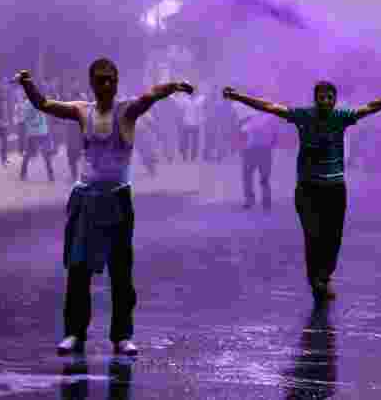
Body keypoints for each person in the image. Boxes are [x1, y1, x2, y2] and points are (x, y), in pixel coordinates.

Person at [15, 60, 194, 356]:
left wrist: (173, 86)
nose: (106, 85)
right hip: (86, 197)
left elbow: (150, 95)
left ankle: (122, 335)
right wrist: (26, 83)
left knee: (121, 270)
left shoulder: (127, 111)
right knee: (78, 269)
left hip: (117, 199)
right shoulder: (81, 110)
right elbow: (44, 103)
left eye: (110, 80)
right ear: (92, 83)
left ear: (117, 81)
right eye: (100, 80)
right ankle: (74, 332)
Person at [223, 81, 381, 302]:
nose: (325, 101)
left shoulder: (341, 117)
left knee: (333, 237)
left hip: (334, 188)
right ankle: (317, 279)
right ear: (315, 99)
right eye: (322, 97)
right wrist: (239, 97)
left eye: (329, 97)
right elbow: (269, 106)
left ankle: (324, 277)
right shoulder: (303, 115)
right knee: (312, 235)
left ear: (334, 100)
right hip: (307, 188)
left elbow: (370, 107)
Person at [237, 111, 281, 210]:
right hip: (265, 150)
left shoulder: (249, 117)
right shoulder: (271, 119)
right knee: (264, 178)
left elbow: (242, 132)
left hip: (251, 151)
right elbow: (275, 136)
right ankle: (266, 200)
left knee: (247, 176)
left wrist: (242, 149)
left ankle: (249, 200)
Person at [20, 100, 55, 182]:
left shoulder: (26, 104)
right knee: (46, 155)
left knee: (28, 154)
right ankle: (51, 175)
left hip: (32, 132)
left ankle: (23, 174)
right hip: (42, 131)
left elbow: (24, 118)